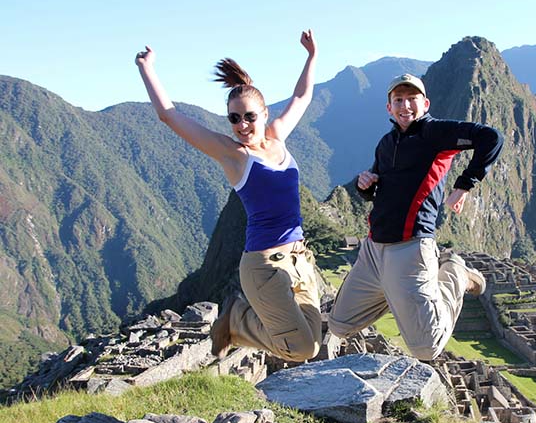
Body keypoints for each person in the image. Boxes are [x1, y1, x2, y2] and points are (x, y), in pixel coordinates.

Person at [135, 30, 321, 362]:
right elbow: (169, 116)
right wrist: (146, 69)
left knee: (314, 341)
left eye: (249, 116)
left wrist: (311, 57)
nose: (242, 125)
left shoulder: (278, 136)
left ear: (264, 114)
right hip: (263, 266)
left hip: (299, 258)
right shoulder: (232, 155)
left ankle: (239, 320)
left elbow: (302, 97)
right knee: (301, 349)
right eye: (234, 118)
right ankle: (235, 319)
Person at [329, 73, 503, 360]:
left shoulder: (435, 134)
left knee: (427, 348)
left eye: (412, 99)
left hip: (411, 247)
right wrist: (367, 186)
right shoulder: (386, 143)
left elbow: (491, 137)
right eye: (399, 99)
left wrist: (464, 185)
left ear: (425, 103)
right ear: (389, 107)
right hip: (373, 250)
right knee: (339, 325)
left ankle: (455, 272)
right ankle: (395, 292)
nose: (405, 105)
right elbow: (378, 191)